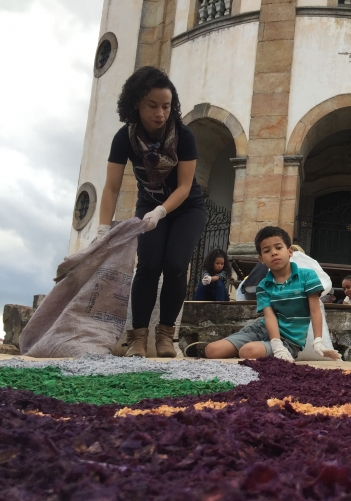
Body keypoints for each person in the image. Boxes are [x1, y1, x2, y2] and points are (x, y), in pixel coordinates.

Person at [94, 66, 206, 358]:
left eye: (166, 106)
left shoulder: (183, 136)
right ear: (136, 104)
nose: (160, 113)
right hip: (148, 204)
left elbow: (184, 187)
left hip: (186, 207)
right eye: (152, 106)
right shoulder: (124, 138)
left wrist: (161, 211)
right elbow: (111, 188)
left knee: (175, 265)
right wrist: (102, 229)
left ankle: (166, 335)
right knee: (148, 266)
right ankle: (138, 338)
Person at [204, 227, 327, 362]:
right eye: (267, 251)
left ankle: (256, 350)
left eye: (278, 248)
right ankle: (254, 349)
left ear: (290, 251)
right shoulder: (263, 285)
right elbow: (270, 316)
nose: (273, 253)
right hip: (260, 330)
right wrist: (275, 345)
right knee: (211, 350)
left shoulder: (307, 276)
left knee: (248, 351)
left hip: (289, 340)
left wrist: (318, 341)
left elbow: (315, 311)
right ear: (261, 259)